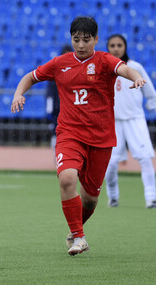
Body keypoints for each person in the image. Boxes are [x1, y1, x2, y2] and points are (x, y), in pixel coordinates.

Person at [11, 16, 146, 256]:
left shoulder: (104, 60)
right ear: (71, 39)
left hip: (101, 138)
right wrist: (18, 94)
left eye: (86, 40)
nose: (81, 45)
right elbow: (30, 77)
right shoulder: (60, 63)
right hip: (69, 134)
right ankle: (80, 238)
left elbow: (124, 68)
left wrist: (136, 78)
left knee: (90, 199)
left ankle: (75, 230)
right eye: (76, 40)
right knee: (66, 179)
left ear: (96, 39)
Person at [105, 34, 156, 209]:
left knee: (145, 159)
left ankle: (151, 197)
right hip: (113, 122)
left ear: (125, 47)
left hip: (135, 120)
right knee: (110, 164)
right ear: (108, 47)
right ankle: (112, 196)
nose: (116, 48)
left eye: (119, 45)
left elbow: (149, 91)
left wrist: (151, 103)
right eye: (112, 45)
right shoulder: (105, 68)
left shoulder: (135, 67)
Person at [46, 45, 73, 150]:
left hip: (72, 109)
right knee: (56, 133)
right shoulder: (55, 71)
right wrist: (49, 107)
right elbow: (50, 91)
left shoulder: (77, 70)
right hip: (58, 109)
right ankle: (57, 157)